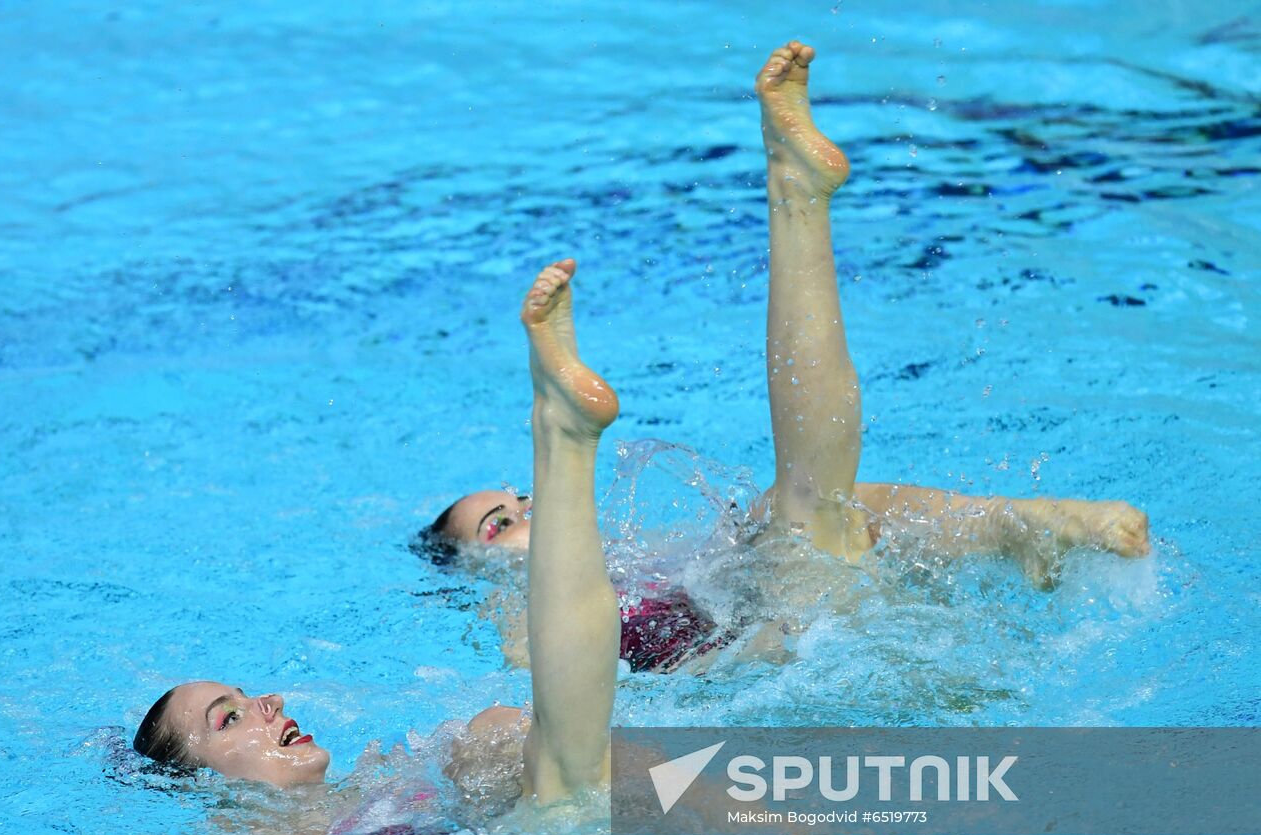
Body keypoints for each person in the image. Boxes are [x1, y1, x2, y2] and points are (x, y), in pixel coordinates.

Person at [418, 41, 1150, 671]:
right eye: (501, 525)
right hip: (790, 671)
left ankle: (1008, 522)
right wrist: (741, 657)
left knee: (800, 504)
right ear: (473, 581)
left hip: (837, 632)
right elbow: (584, 721)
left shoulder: (659, 558)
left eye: (523, 502)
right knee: (804, 514)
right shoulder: (519, 625)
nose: (529, 511)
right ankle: (796, 197)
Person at [131, 253, 622, 835]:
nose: (270, 702)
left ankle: (563, 439)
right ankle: (561, 443)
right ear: (202, 787)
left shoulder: (383, 784)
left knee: (513, 735)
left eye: (244, 697)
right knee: (569, 777)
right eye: (227, 720)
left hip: (601, 822)